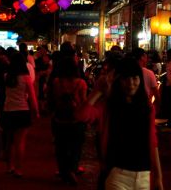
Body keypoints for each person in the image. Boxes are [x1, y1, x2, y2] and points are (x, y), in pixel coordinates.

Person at [92, 58, 163, 190]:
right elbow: (81, 115)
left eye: (135, 78)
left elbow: (153, 143)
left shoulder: (146, 108)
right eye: (125, 79)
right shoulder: (109, 106)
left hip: (143, 177)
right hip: (118, 175)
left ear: (140, 80)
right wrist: (100, 90)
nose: (130, 83)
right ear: (118, 81)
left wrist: (158, 177)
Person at [49, 52, 88, 185]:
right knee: (76, 146)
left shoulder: (56, 82)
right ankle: (72, 168)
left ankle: (64, 170)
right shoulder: (81, 83)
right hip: (76, 119)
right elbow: (84, 101)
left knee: (61, 146)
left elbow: (54, 98)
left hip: (60, 118)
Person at [2, 52, 38, 177]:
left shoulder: (6, 76)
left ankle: (9, 166)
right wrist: (36, 111)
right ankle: (18, 168)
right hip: (22, 110)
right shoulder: (26, 78)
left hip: (8, 110)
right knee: (20, 142)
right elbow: (32, 97)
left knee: (9, 141)